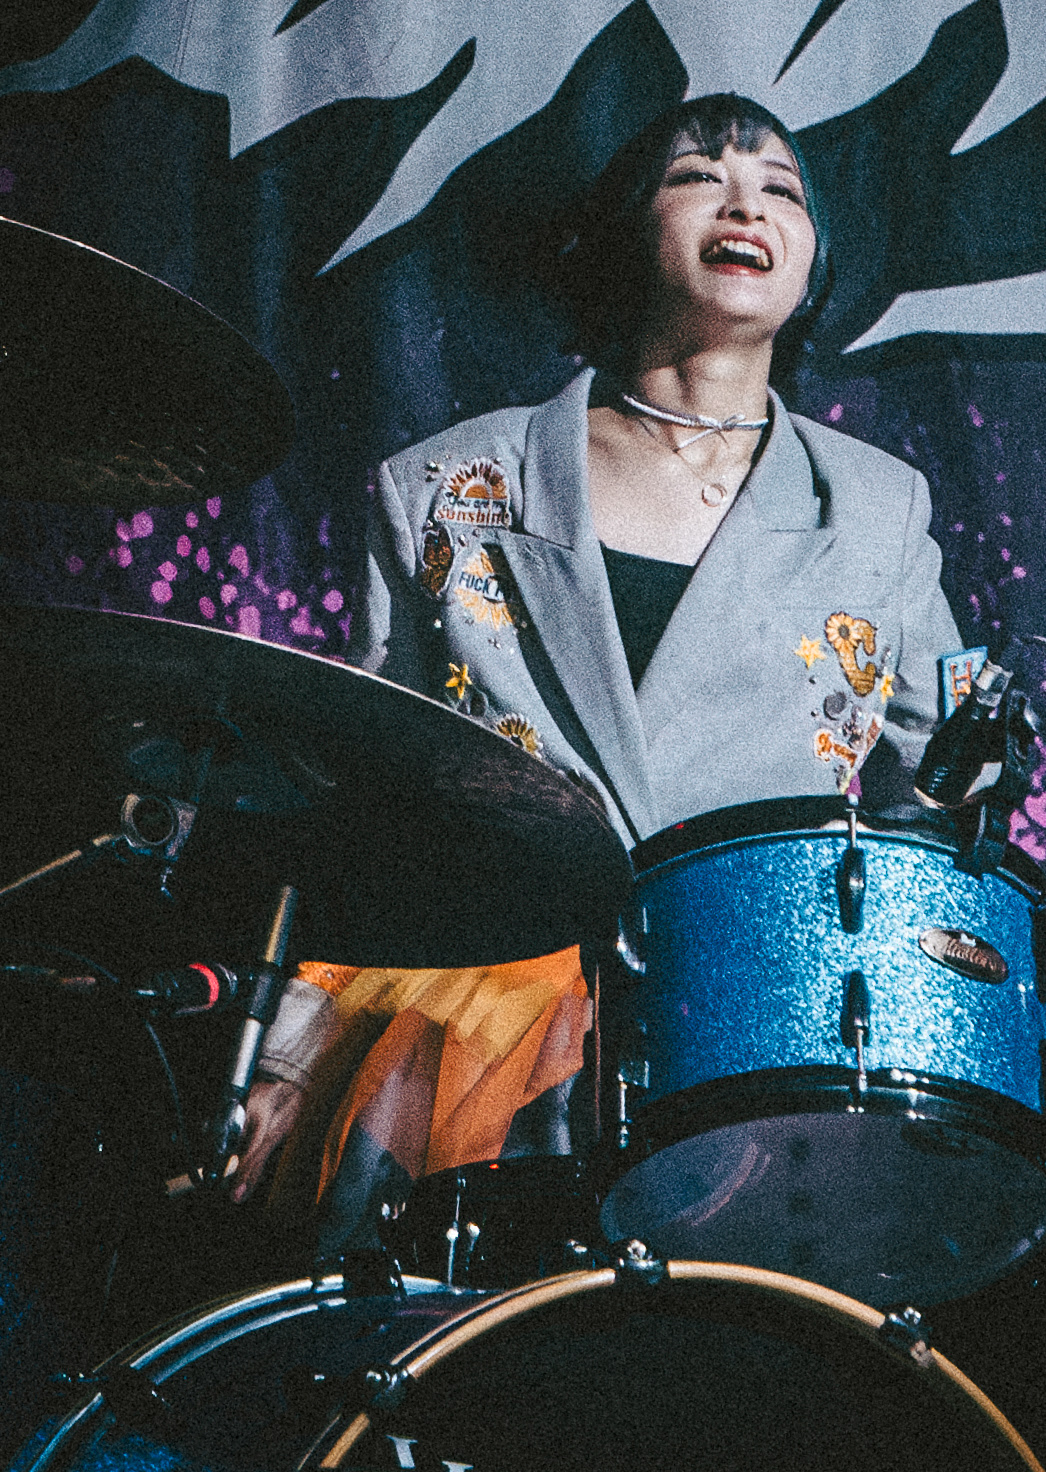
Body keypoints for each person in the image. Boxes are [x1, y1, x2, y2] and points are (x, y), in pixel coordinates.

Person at [233, 95, 962, 1244]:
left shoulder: (880, 506)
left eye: (780, 189)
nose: (745, 204)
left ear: (813, 259)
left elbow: (940, 797)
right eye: (699, 176)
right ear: (625, 231)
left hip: (752, 1029)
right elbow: (368, 803)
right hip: (472, 1008)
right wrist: (286, 1051)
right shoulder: (447, 483)